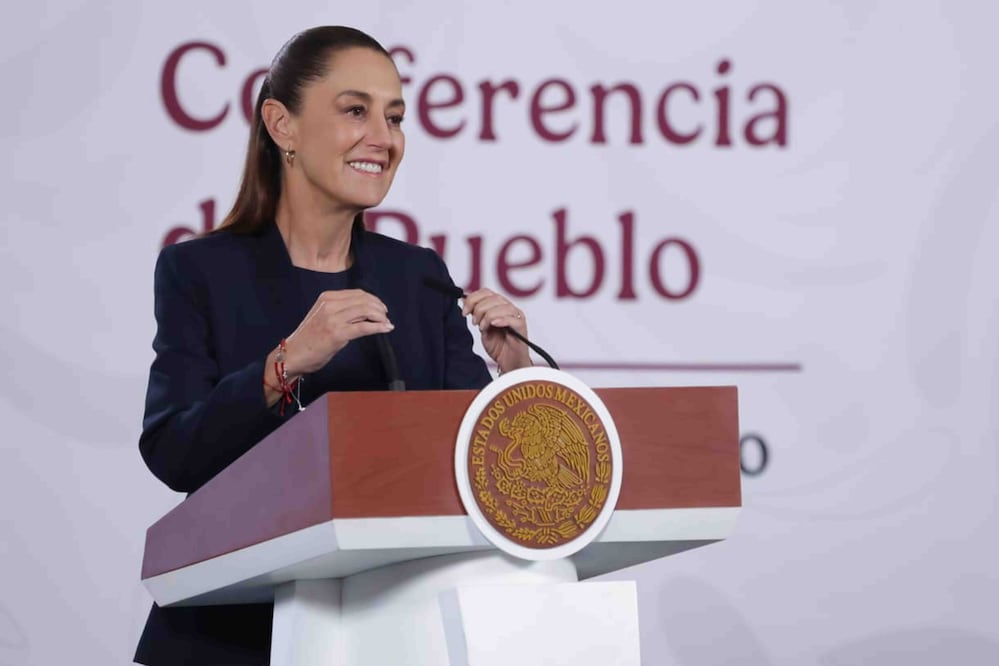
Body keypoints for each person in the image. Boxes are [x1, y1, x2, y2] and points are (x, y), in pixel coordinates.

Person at [134, 25, 532, 665]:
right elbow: (173, 452)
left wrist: (513, 379)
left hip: (394, 633)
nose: (385, 136)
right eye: (355, 110)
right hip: (230, 635)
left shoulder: (418, 277)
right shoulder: (198, 271)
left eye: (395, 117)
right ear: (281, 125)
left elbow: (479, 469)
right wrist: (283, 364)